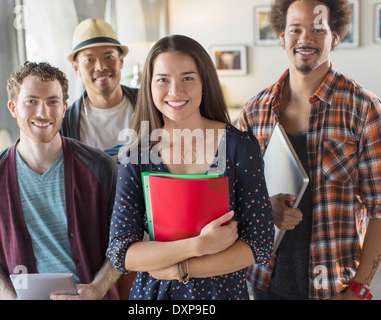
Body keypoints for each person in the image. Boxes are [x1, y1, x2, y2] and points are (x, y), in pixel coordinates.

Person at [237, 0, 381, 300]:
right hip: (262, 279)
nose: (305, 38)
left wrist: (358, 289)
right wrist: (265, 208)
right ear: (283, 36)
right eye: (295, 28)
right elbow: (236, 192)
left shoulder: (365, 110)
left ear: (335, 36)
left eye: (318, 28)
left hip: (334, 286)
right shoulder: (253, 111)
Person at [106, 35, 274, 300]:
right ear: (149, 86)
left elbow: (260, 244)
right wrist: (200, 245)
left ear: (204, 83)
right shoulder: (136, 155)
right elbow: (121, 253)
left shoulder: (239, 146)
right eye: (163, 79)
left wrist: (180, 269)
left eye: (187, 78)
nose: (175, 91)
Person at [0, 62, 120, 300]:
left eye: (52, 101)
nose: (43, 112)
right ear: (13, 107)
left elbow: (122, 243)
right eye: (31, 101)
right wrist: (13, 298)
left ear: (64, 108)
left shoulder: (101, 168)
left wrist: (96, 289)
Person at [61, 18, 138, 163]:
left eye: (109, 57)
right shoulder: (66, 124)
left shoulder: (148, 103)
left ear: (121, 61)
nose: (101, 67)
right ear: (76, 68)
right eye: (89, 60)